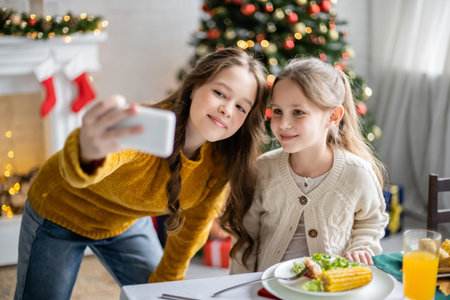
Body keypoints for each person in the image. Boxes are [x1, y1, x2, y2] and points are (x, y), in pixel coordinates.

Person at [15, 48, 269, 300]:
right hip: (59, 212)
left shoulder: (223, 161)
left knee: (160, 295)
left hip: (124, 221)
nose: (227, 109)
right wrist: (88, 152)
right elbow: (84, 170)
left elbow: (195, 226)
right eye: (219, 93)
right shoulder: (146, 126)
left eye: (241, 108)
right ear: (194, 88)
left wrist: (166, 286)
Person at [229, 57, 389, 274]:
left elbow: (371, 221)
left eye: (298, 112)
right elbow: (245, 236)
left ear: (333, 116)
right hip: (270, 287)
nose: (283, 124)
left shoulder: (357, 174)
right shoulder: (263, 169)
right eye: (277, 111)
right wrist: (238, 287)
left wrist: (361, 246)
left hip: (329, 289)